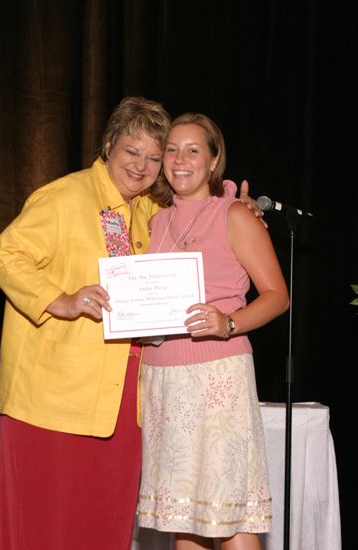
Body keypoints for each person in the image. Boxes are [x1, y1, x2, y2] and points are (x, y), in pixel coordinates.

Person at [0, 97, 261, 550]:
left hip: (121, 402)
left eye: (154, 157)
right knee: (46, 529)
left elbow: (202, 211)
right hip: (54, 400)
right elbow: (4, 254)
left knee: (105, 527)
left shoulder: (147, 213)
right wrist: (62, 300)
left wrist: (239, 203)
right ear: (109, 145)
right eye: (131, 151)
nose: (142, 165)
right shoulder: (65, 197)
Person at [137, 113, 289, 550]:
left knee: (230, 511)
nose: (179, 160)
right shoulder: (156, 221)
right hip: (164, 378)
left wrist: (229, 324)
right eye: (171, 149)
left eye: (193, 150)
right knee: (186, 514)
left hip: (218, 375)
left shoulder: (234, 215)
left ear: (214, 159)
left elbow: (278, 295)